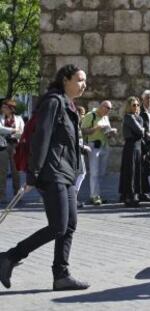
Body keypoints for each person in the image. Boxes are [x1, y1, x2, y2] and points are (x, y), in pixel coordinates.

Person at [0, 64, 90, 290]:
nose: (84, 84)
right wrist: (33, 174)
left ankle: (61, 275)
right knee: (58, 226)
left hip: (66, 172)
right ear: (66, 80)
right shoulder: (53, 102)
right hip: (52, 173)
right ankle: (9, 257)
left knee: (69, 224)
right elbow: (42, 138)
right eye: (79, 79)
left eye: (84, 80)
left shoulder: (69, 105)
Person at [81, 100, 117, 206]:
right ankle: (94, 196)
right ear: (102, 107)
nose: (108, 111)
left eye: (110, 109)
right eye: (107, 108)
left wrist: (111, 133)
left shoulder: (105, 117)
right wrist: (97, 128)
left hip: (104, 146)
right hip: (93, 146)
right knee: (94, 172)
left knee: (101, 172)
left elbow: (107, 133)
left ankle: (98, 194)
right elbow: (83, 131)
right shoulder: (90, 115)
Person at [118, 97, 145, 207]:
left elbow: (141, 130)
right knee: (130, 172)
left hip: (137, 146)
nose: (136, 107)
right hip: (131, 146)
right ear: (129, 106)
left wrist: (142, 129)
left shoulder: (137, 117)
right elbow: (140, 130)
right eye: (134, 105)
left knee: (135, 171)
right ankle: (130, 196)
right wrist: (142, 130)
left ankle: (129, 195)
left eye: (138, 105)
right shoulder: (128, 117)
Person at [0, 99, 25, 203]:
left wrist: (15, 133)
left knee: (16, 172)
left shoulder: (19, 119)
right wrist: (13, 130)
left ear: (11, 109)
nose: (2, 108)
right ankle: (1, 195)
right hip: (3, 146)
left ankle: (17, 195)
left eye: (4, 107)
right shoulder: (0, 118)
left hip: (15, 146)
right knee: (2, 171)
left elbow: (22, 132)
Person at [74, 105, 91, 209]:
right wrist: (84, 147)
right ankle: (73, 197)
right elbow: (74, 141)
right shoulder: (75, 125)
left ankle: (73, 198)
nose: (83, 116)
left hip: (79, 152)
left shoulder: (77, 125)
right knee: (82, 173)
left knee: (80, 174)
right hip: (77, 153)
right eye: (82, 114)